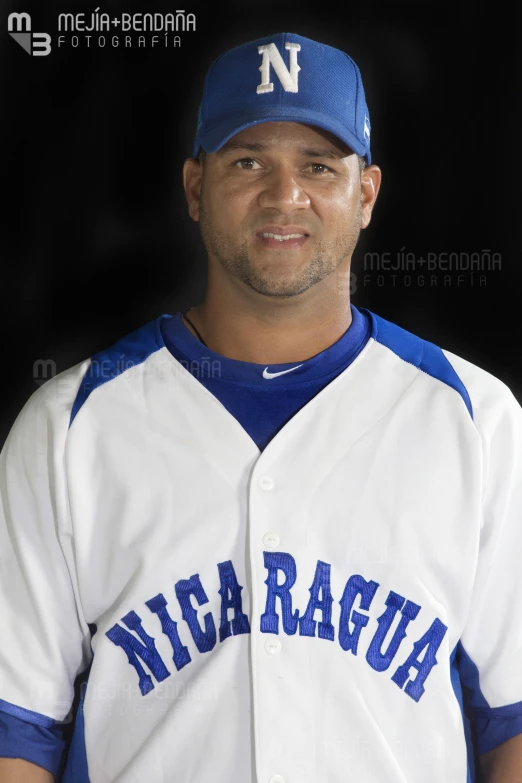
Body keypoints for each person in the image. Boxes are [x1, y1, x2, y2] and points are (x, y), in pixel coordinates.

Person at [0, 31, 521, 783]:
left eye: (318, 165)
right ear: (194, 187)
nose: (285, 195)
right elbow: (18, 725)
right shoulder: (69, 425)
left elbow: (514, 717)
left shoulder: (477, 420)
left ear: (366, 194)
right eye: (249, 162)